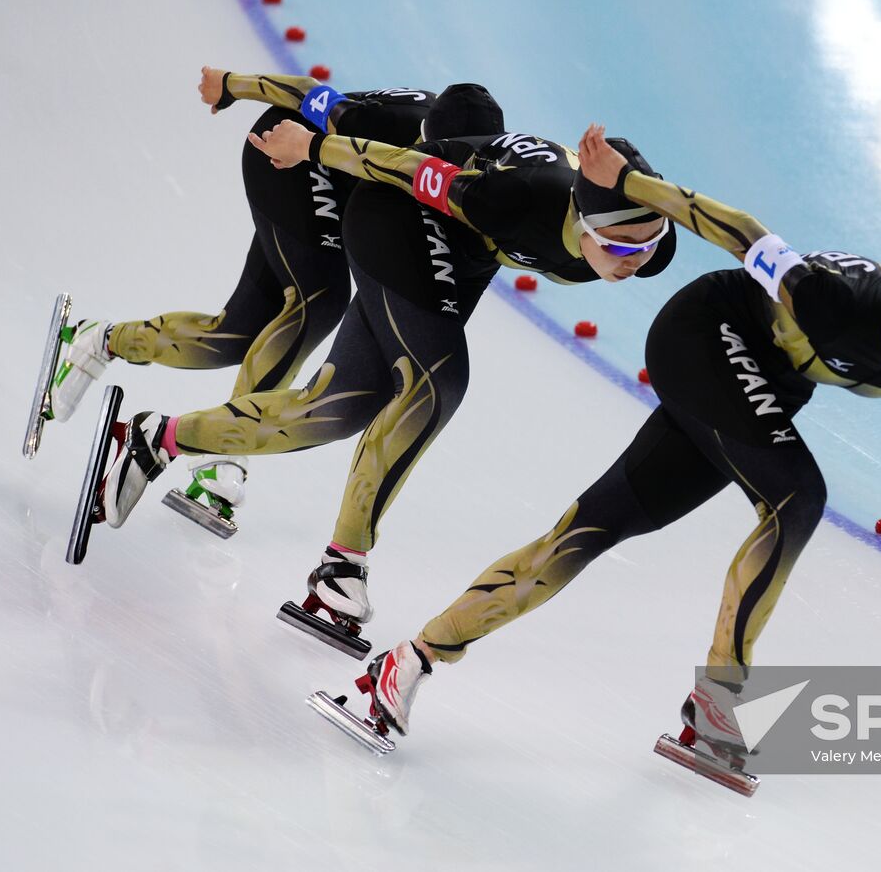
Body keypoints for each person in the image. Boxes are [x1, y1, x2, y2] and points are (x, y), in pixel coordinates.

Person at [329, 124, 881, 778]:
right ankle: (718, 703)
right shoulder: (836, 303)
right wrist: (628, 184)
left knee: (587, 531)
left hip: (758, 384)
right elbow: (737, 227)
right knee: (798, 497)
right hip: (706, 336)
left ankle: (407, 662)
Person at [80, 116, 680, 656]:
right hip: (395, 213)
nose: (633, 260)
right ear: (581, 215)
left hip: (458, 255)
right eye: (622, 245)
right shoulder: (521, 198)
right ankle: (343, 565)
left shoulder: (640, 232)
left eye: (647, 245)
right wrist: (312, 146)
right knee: (439, 382)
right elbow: (405, 165)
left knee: (333, 410)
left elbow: (707, 224)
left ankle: (159, 437)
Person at [40, 67, 503, 535]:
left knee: (236, 333)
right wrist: (230, 84)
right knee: (318, 299)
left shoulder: (484, 178)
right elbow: (306, 92)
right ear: (423, 143)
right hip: (286, 155)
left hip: (344, 191)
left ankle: (101, 340)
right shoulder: (385, 127)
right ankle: (220, 456)